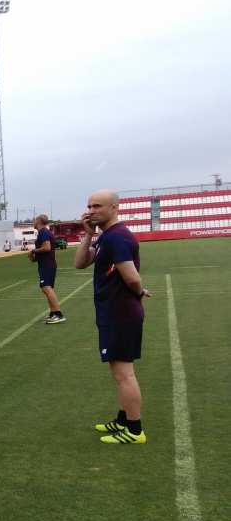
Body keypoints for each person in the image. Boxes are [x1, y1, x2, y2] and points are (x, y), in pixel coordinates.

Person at [74, 189, 150, 445]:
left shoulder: (116, 237)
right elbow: (80, 263)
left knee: (123, 374)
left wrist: (138, 293)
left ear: (114, 208)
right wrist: (87, 235)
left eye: (97, 206)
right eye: (89, 205)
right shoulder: (107, 237)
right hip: (114, 311)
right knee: (119, 372)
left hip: (119, 313)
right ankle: (123, 420)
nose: (91, 210)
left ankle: (134, 430)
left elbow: (132, 277)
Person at [30, 215, 64, 323]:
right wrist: (35, 258)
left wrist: (33, 251)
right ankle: (53, 313)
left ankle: (58, 314)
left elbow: (47, 247)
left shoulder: (43, 232)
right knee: (48, 288)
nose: (34, 222)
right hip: (47, 263)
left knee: (46, 288)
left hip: (47, 264)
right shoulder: (45, 232)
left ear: (38, 222)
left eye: (35, 220)